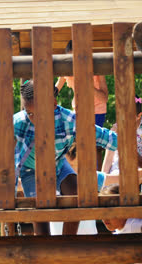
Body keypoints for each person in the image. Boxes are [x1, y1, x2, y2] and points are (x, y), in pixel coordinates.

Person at [0, 80, 119, 236]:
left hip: (57, 164)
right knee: (39, 208)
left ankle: (67, 241)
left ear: (53, 104)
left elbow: (105, 136)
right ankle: (44, 244)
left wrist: (136, 156)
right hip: (31, 170)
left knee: (75, 192)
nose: (35, 118)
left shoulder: (67, 119)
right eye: (30, 113)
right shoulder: (19, 122)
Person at [56, 40, 109, 170]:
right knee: (74, 145)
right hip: (78, 111)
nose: (75, 63)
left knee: (91, 145)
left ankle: (93, 178)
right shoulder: (67, 69)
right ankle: (74, 175)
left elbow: (104, 98)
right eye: (71, 59)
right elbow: (56, 88)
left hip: (96, 110)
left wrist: (87, 83)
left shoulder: (96, 68)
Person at [101, 96, 142, 187]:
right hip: (119, 164)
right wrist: (103, 179)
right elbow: (109, 158)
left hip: (140, 164)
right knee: (117, 176)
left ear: (139, 115)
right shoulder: (116, 129)